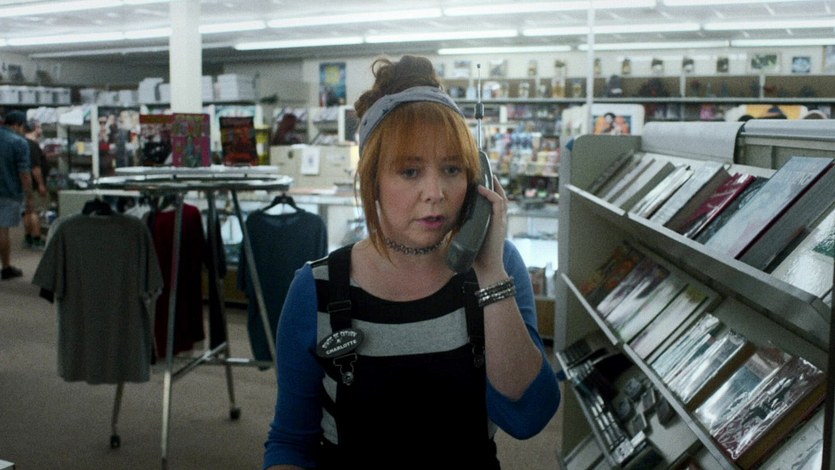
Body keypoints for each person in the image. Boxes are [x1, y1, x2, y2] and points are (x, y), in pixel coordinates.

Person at [263, 55, 560, 469]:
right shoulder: (317, 289)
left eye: (452, 169)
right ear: (372, 181)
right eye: (410, 172)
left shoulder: (498, 268)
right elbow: (291, 442)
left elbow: (527, 416)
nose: (435, 192)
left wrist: (491, 274)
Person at [0, 110, 33, 280]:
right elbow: (24, 173)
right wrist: (30, 197)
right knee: (3, 230)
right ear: (18, 125)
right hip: (8, 191)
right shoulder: (19, 142)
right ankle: (6, 267)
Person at [22, 118, 48, 250]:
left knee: (27, 211)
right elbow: (35, 168)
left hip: (24, 183)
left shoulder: (22, 143)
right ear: (35, 128)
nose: (41, 130)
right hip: (33, 184)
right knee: (35, 211)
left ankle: (28, 238)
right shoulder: (32, 145)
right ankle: (37, 239)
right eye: (39, 127)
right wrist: (41, 184)